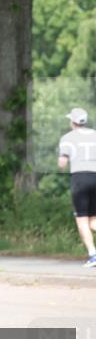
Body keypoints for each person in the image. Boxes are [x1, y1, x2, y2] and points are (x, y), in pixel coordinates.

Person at [58, 107, 96, 268]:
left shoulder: (67, 138)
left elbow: (62, 163)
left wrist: (63, 163)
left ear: (73, 122)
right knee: (93, 220)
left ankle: (93, 255)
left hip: (80, 179)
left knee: (82, 219)